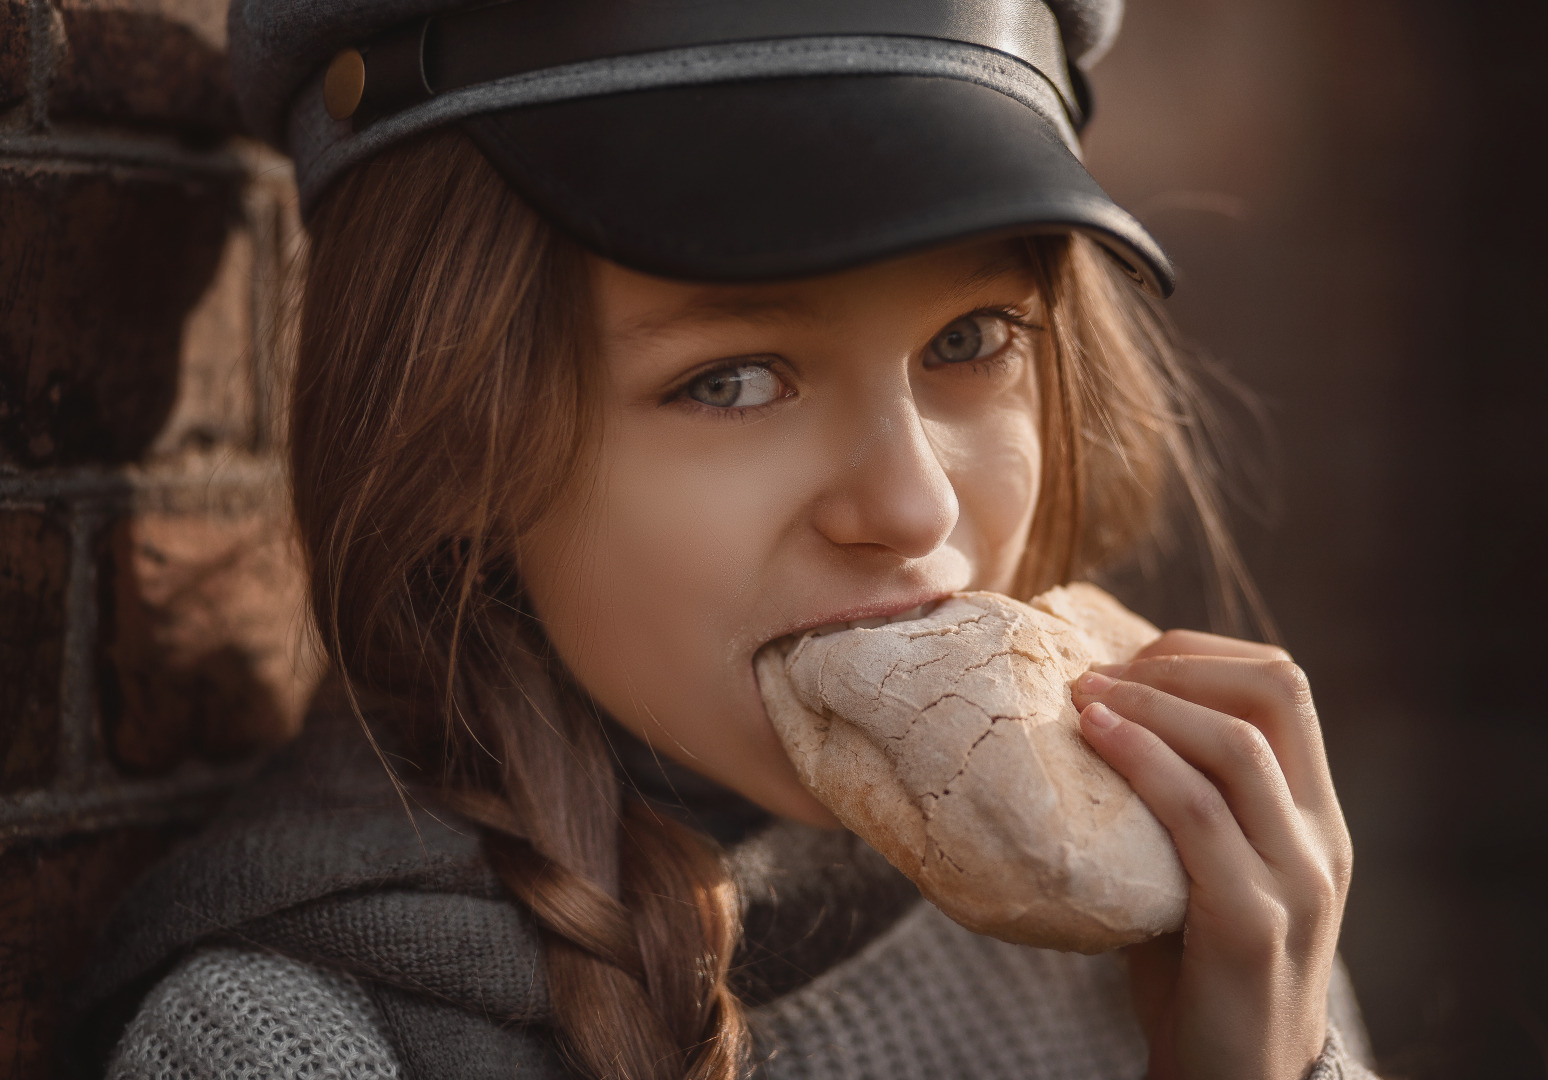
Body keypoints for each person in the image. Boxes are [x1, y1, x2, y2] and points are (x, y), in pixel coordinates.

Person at [75, 1, 1375, 1078]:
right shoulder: (284, 1047)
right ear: (452, 431)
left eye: (970, 341)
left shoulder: (1166, 895)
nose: (913, 508)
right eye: (734, 379)